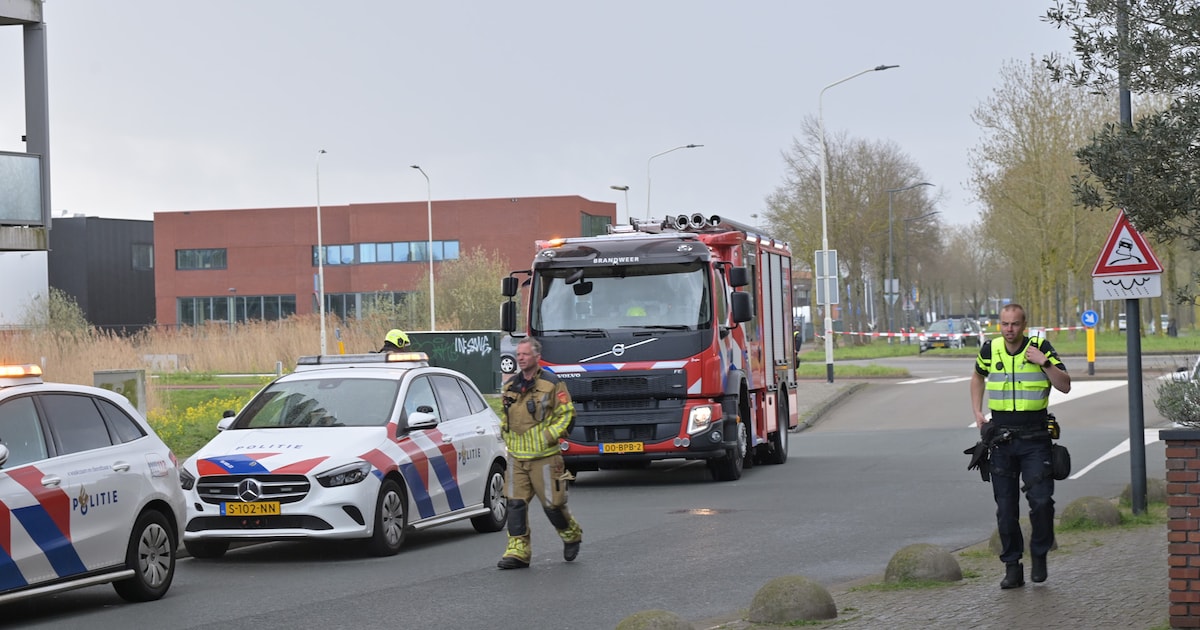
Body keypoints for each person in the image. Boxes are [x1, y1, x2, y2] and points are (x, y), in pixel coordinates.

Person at [969, 303, 1071, 589]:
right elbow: (977, 376)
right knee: (1005, 509)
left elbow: (1065, 385)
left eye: (1014, 324)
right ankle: (1012, 566)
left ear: (1024, 325)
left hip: (1035, 439)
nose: (1009, 329)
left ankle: (1040, 554)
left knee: (1040, 502)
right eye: (1004, 324)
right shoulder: (991, 350)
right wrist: (977, 412)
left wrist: (1045, 362)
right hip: (1001, 440)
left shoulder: (1040, 347)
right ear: (999, 325)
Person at [496, 337, 582, 569]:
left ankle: (571, 535)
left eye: (525, 354)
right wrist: (504, 431)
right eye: (518, 354)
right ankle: (518, 551)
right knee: (515, 504)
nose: (520, 358)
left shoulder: (552, 384)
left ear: (536, 356)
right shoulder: (510, 386)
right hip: (517, 458)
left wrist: (549, 436)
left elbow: (567, 415)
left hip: (545, 458)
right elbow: (506, 414)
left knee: (553, 505)